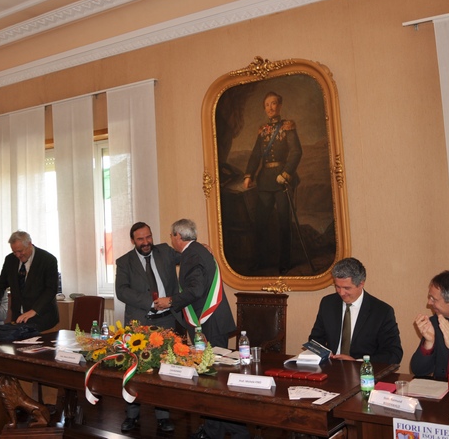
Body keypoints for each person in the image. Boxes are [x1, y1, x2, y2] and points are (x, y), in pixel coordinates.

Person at [154, 219, 247, 439]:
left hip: (210, 324)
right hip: (210, 323)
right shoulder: (195, 251)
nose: (171, 239)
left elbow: (195, 290)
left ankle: (219, 431)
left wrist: (171, 301)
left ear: (178, 236)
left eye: (171, 236)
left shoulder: (193, 255)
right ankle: (231, 429)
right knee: (214, 380)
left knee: (212, 380)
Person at [115, 222, 180, 433]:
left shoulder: (165, 252)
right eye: (141, 239)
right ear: (133, 241)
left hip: (166, 321)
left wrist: (201, 248)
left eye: (148, 237)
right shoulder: (124, 262)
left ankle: (163, 417)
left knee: (163, 370)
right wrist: (150, 302)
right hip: (138, 323)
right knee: (136, 369)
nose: (146, 242)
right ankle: (132, 416)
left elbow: (187, 255)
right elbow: (122, 291)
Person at [243, 91, 302, 274]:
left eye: (274, 103)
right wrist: (248, 175)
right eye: (267, 105)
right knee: (260, 223)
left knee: (284, 223)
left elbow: (296, 152)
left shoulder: (288, 127)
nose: (270, 107)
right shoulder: (262, 131)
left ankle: (284, 262)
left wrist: (285, 173)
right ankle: (260, 261)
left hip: (282, 181)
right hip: (265, 182)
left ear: (280, 105)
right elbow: (255, 155)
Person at [308, 257, 403, 364]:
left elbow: (394, 354)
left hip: (364, 373)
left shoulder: (382, 312)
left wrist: (358, 362)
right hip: (331, 368)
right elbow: (315, 340)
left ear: (361, 284)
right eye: (337, 286)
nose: (341, 293)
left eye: (347, 288)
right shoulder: (328, 303)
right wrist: (324, 353)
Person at [0, 230, 59, 332]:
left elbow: (51, 290)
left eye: (20, 251)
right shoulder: (10, 260)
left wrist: (34, 311)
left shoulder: (48, 260)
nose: (18, 255)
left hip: (42, 320)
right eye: (14, 252)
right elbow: (0, 284)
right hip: (18, 320)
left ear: (29, 244)